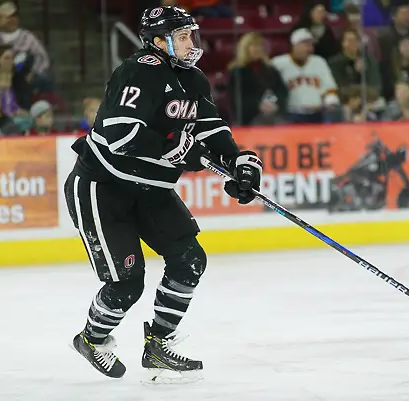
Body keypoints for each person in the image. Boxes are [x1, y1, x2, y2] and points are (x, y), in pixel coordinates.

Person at [63, 6, 263, 382]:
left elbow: (210, 131)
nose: (192, 43)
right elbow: (120, 132)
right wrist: (176, 148)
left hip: (151, 190)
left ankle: (158, 343)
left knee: (190, 260)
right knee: (127, 282)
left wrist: (240, 162)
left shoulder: (193, 79)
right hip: (103, 188)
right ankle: (92, 339)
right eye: (183, 36)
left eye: (192, 35)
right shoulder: (139, 70)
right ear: (159, 41)